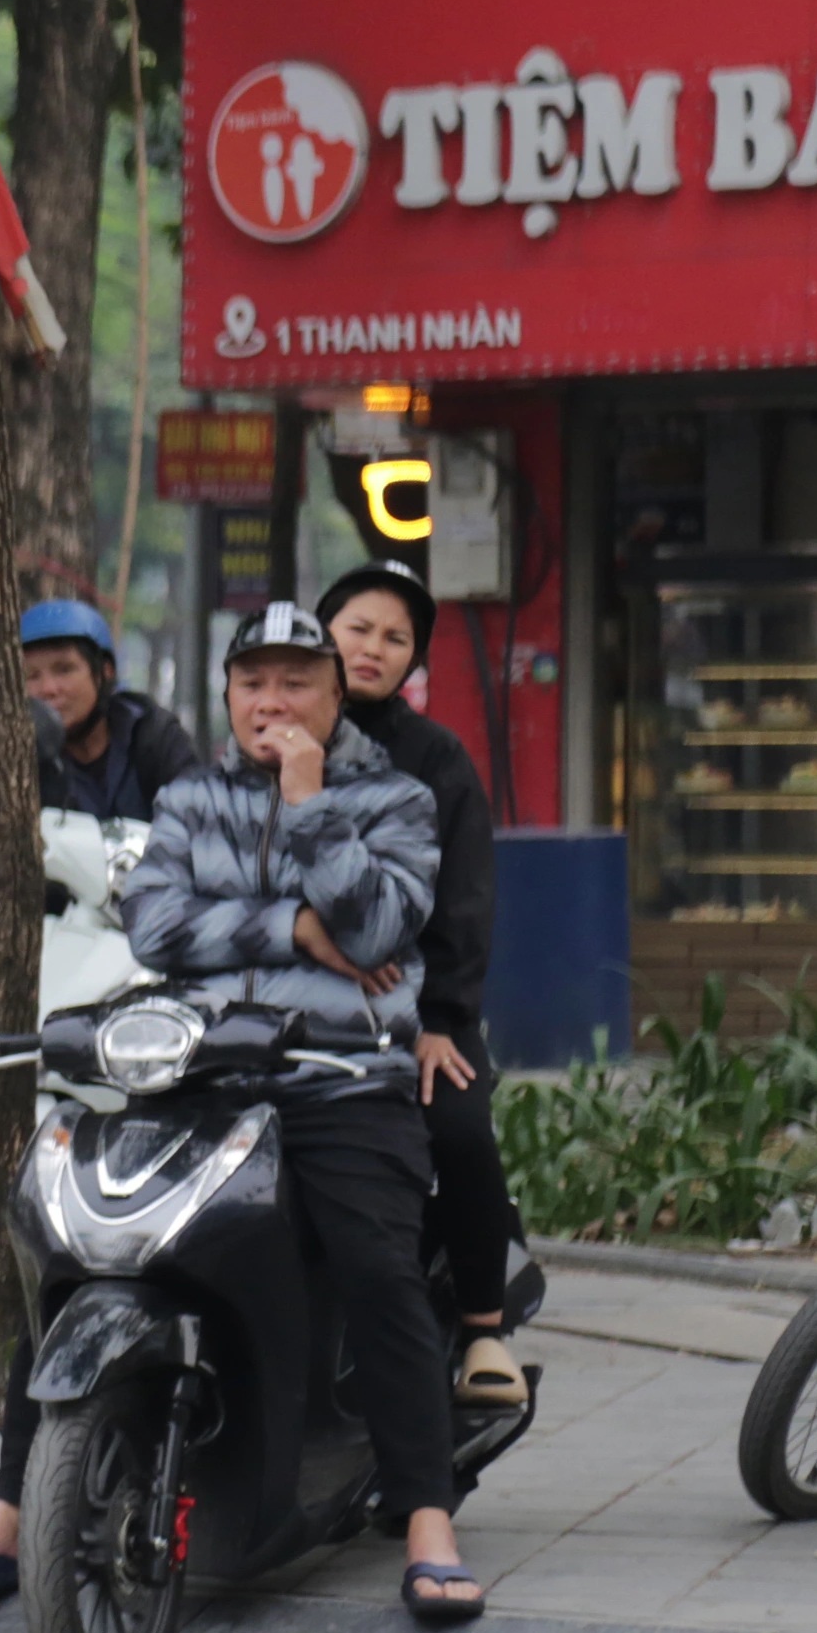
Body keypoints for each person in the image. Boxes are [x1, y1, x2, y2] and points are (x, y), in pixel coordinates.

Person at [0, 607, 477, 1623]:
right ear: (226, 694)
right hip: (203, 1072)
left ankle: (424, 1517)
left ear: (331, 690)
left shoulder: (392, 798)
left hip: (340, 1076)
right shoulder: (189, 798)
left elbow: (377, 924)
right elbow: (158, 923)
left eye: (295, 682)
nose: (272, 703)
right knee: (81, 1249)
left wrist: (309, 806)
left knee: (374, 1266)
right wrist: (291, 927)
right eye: (251, 683)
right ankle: (9, 1513)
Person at [319, 559, 527, 1407]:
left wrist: (439, 1019)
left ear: (413, 660)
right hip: (285, 1007)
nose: (372, 648)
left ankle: (483, 1326)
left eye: (394, 638)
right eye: (357, 628)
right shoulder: (273, 735)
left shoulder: (435, 759)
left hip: (416, 1013)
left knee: (459, 1130)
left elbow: (464, 901)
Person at [21, 598, 199, 824]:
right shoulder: (21, 760)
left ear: (105, 672)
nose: (48, 689)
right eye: (32, 676)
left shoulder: (153, 736)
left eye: (64, 669)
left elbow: (198, 820)